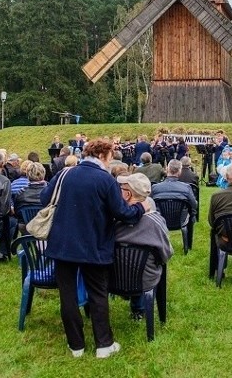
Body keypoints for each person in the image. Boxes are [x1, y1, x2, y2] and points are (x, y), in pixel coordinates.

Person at [40, 139, 150, 359]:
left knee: (67, 295)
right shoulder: (104, 179)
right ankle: (103, 344)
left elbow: (44, 198)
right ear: (102, 155)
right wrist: (140, 207)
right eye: (110, 156)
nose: (111, 161)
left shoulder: (64, 174)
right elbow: (123, 213)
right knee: (98, 293)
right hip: (94, 243)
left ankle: (76, 345)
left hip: (63, 243)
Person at [114, 172, 173, 319]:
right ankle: (139, 309)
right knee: (147, 264)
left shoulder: (112, 221)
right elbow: (166, 254)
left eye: (121, 188)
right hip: (144, 280)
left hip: (111, 278)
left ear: (127, 194)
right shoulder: (156, 222)